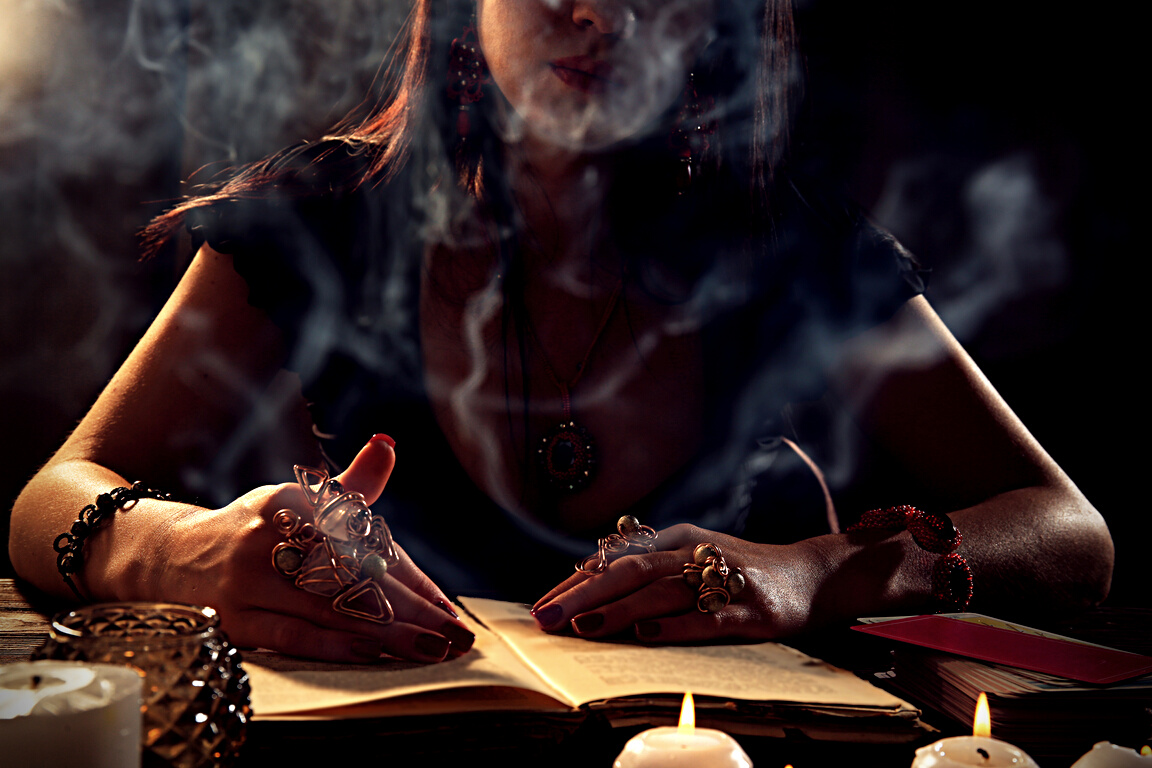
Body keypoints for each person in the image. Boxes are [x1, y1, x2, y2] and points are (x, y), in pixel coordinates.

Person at [10, 0, 1113, 663]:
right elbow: (48, 498)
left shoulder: (786, 243)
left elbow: (1070, 536)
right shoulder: (323, 221)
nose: (602, 13)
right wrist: (174, 547)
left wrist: (815, 575)